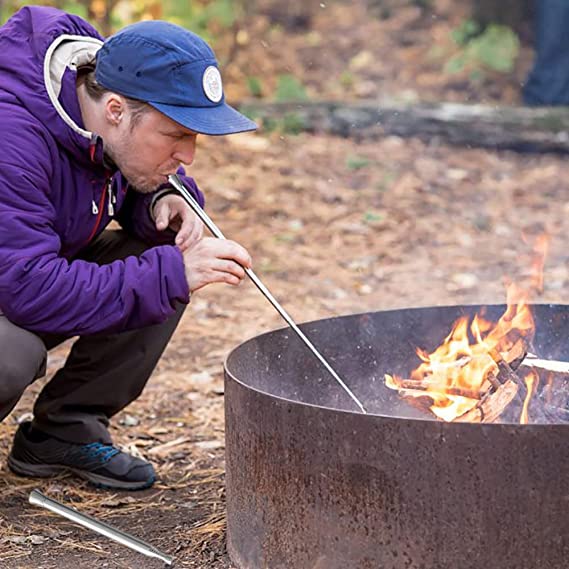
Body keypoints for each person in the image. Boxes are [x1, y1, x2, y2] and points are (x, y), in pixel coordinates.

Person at [0, 5, 256, 490]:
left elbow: (104, 181)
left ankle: (64, 431)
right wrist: (172, 274)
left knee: (157, 251)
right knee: (9, 353)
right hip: (15, 286)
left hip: (15, 276)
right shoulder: (11, 137)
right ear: (115, 109)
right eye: (176, 135)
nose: (188, 155)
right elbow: (26, 289)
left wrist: (161, 198)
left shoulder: (99, 108)